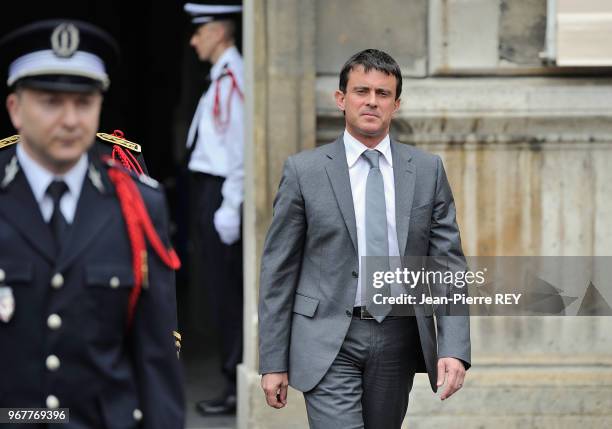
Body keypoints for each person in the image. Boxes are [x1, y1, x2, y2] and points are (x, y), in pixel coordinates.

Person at [258, 49, 471, 428]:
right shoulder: (304, 172)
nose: (372, 101)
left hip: (397, 337)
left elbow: (447, 265)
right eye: (361, 91)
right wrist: (273, 359)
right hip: (326, 339)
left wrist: (454, 347)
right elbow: (279, 271)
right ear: (341, 99)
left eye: (383, 93)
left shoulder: (426, 171)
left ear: (396, 104)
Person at [0, 20, 184, 428]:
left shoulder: (138, 204)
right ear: (15, 109)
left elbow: (156, 360)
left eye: (83, 103)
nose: (70, 119)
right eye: (50, 101)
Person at [183, 0, 244, 416]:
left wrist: (230, 206)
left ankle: (233, 384)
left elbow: (238, 151)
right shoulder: (221, 76)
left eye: (199, 31)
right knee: (215, 291)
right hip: (208, 190)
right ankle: (230, 379)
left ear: (218, 32)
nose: (193, 40)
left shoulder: (233, 79)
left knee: (227, 295)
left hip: (220, 192)